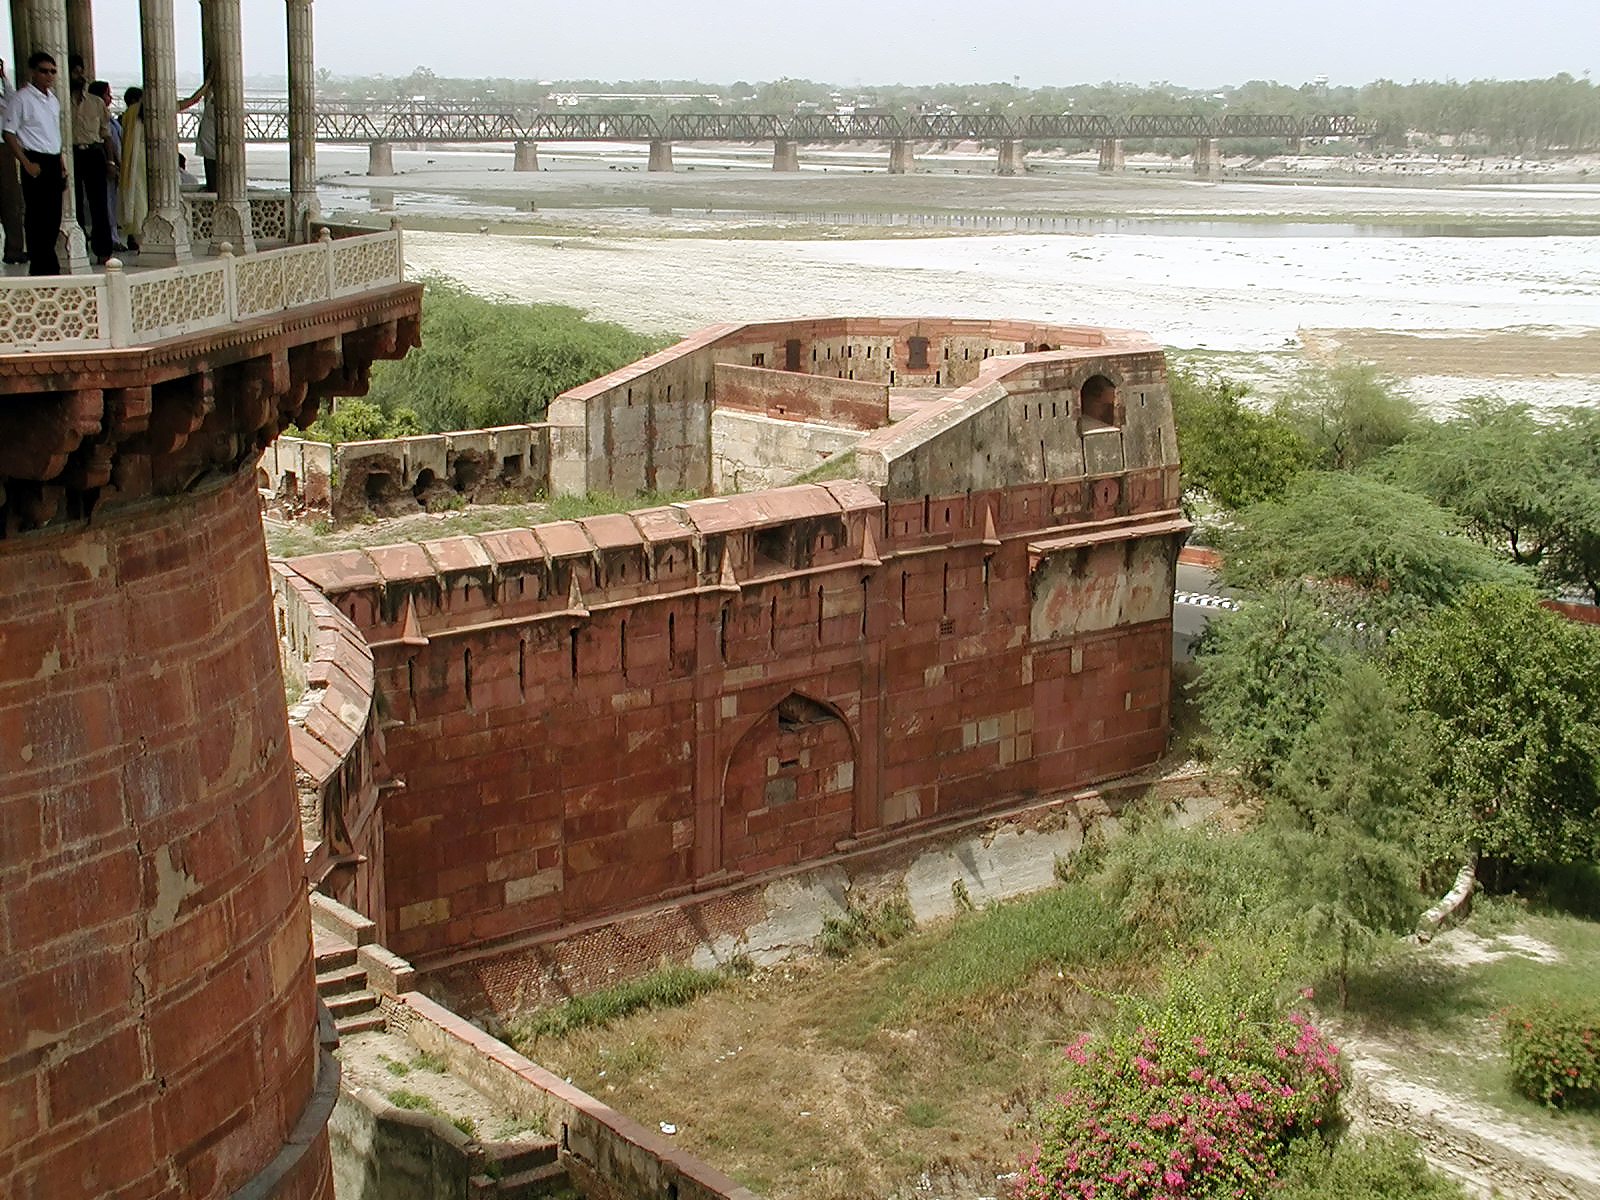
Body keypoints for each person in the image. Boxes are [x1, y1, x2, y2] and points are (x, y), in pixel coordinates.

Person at [3, 52, 67, 275]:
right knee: (37, 217)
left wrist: (61, 164)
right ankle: (41, 268)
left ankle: (48, 265)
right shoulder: (22, 99)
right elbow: (8, 132)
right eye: (44, 71)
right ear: (33, 72)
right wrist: (26, 163)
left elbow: (53, 133)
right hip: (35, 159)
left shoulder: (53, 100)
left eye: (52, 71)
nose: (49, 75)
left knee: (53, 217)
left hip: (52, 160)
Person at [69, 54, 115, 261]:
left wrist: (110, 161)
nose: (80, 76)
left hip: (93, 152)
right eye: (75, 72)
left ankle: (103, 250)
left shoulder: (96, 103)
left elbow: (106, 135)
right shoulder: (60, 101)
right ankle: (76, 248)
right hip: (72, 153)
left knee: (99, 203)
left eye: (81, 72)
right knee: (74, 203)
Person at [0, 57, 26, 263]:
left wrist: (3, 77)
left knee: (11, 201)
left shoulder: (5, 97)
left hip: (3, 149)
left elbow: (12, 99)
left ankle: (14, 249)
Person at [90, 80, 120, 250]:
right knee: (106, 202)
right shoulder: (102, 117)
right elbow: (108, 140)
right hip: (105, 161)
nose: (110, 98)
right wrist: (111, 161)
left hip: (113, 163)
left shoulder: (110, 119)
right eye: (107, 94)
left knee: (112, 201)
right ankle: (111, 237)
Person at [117, 85, 146, 251]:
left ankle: (138, 239)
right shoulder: (138, 111)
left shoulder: (128, 114)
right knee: (143, 199)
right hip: (144, 158)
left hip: (134, 160)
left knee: (138, 199)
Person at [179, 70, 213, 191]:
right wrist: (207, 83)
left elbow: (194, 99)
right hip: (209, 145)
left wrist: (207, 84)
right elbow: (194, 100)